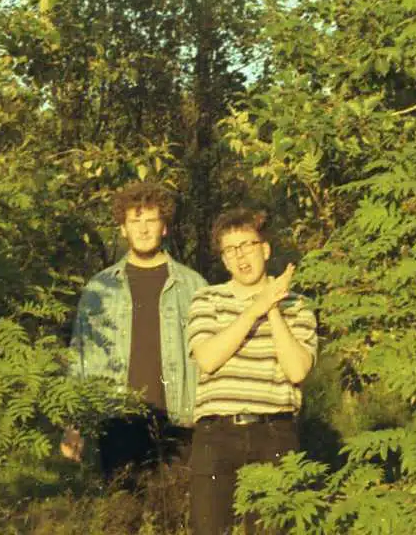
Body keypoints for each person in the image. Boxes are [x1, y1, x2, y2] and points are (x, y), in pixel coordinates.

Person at [61, 181, 207, 486]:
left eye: (151, 220)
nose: (143, 229)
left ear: (164, 227)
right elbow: (79, 358)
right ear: (123, 228)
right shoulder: (100, 288)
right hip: (117, 421)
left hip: (179, 421)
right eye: (135, 221)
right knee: (122, 509)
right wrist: (74, 425)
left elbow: (209, 359)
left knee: (177, 510)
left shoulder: (194, 286)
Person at [186, 208, 317, 535]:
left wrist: (272, 307)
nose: (240, 256)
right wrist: (255, 308)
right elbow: (208, 359)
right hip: (216, 434)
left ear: (265, 249)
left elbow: (297, 370)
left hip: (274, 434)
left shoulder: (298, 306)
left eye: (247, 245)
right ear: (224, 260)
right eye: (230, 250)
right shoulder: (206, 300)